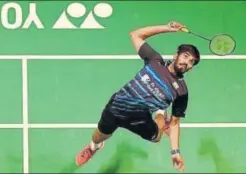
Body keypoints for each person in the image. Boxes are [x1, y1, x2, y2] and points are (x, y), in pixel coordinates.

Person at [75, 21, 201, 172]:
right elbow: (135, 35)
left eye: (191, 62)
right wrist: (167, 28)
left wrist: (175, 152)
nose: (187, 62)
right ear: (176, 56)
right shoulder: (155, 60)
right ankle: (94, 147)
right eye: (185, 56)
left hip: (140, 120)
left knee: (157, 137)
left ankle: (160, 114)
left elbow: (174, 123)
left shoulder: (181, 91)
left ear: (192, 68)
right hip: (116, 107)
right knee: (98, 136)